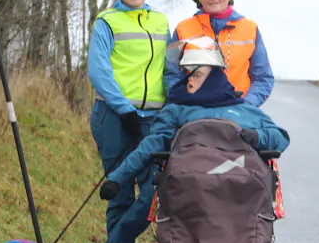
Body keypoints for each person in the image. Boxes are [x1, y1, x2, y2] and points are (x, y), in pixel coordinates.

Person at [99, 37, 289, 200]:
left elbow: (280, 137)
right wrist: (116, 179)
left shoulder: (244, 110)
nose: (189, 79)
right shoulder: (176, 111)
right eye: (188, 74)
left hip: (237, 190)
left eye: (197, 75)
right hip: (189, 190)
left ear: (214, 77)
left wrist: (258, 137)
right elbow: (149, 145)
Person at [81, 0, 169, 243]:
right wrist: (125, 109)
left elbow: (170, 68)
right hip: (114, 117)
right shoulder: (107, 21)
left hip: (152, 120)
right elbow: (98, 70)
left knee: (153, 195)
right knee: (119, 193)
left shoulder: (160, 21)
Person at [165, 0, 275, 108]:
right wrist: (186, 102)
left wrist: (246, 106)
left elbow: (263, 78)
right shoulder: (183, 29)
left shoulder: (250, 29)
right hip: (194, 113)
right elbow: (171, 75)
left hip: (238, 112)